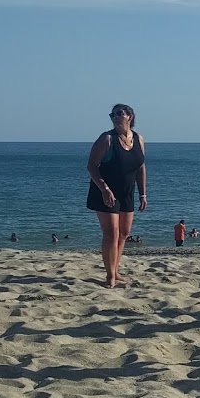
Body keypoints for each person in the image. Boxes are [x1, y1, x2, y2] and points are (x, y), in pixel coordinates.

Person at [86, 103, 147, 287]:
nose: (115, 117)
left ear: (130, 116)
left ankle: (116, 269)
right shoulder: (107, 139)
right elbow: (91, 166)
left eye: (120, 113)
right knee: (111, 233)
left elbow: (141, 167)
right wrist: (104, 188)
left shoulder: (138, 139)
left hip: (127, 192)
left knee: (123, 234)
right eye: (113, 114)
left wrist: (143, 194)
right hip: (105, 192)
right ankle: (110, 275)